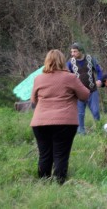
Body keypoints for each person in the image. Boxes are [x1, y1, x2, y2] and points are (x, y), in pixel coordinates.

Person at [30, 49, 90, 184]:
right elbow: (85, 95)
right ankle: (59, 183)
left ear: (47, 61)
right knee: (61, 154)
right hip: (65, 122)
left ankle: (43, 183)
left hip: (40, 122)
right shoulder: (70, 77)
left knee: (44, 154)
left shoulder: (38, 78)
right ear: (63, 61)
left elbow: (33, 101)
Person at [67, 42, 103, 134]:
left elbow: (99, 70)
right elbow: (66, 75)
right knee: (80, 113)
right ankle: (81, 132)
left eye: (75, 51)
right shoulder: (70, 63)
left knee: (95, 111)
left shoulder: (90, 59)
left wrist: (99, 80)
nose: (72, 54)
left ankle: (99, 130)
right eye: (72, 52)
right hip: (78, 93)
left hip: (92, 91)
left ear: (81, 51)